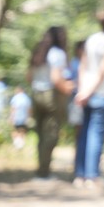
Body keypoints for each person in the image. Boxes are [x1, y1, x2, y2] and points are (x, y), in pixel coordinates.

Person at [73, 9, 104, 187]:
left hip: (86, 92)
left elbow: (82, 66)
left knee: (85, 132)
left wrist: (82, 91)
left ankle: (80, 174)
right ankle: (92, 175)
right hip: (101, 93)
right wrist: (90, 91)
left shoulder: (91, 40)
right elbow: (103, 70)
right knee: (95, 134)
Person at [27, 25, 73, 179]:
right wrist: (68, 88)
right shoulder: (57, 54)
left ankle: (41, 170)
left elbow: (29, 77)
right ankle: (44, 172)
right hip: (51, 96)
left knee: (40, 135)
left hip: (36, 94)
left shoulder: (38, 52)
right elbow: (56, 78)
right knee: (51, 135)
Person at [9, 85, 32, 150]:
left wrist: (11, 117)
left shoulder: (15, 97)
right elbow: (29, 109)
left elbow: (13, 108)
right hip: (24, 117)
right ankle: (21, 144)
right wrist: (29, 117)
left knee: (15, 130)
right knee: (23, 131)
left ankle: (16, 144)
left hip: (16, 117)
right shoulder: (26, 98)